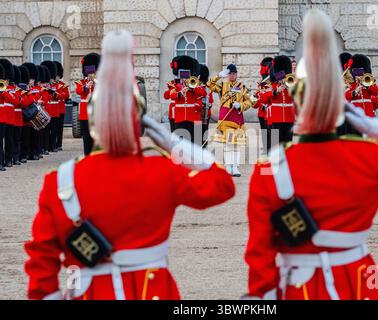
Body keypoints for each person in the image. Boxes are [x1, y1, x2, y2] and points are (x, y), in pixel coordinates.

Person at [244, 9, 378, 300]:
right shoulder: (368, 156)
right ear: (342, 104)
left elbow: (259, 253)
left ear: (297, 106)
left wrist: (260, 295)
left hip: (301, 288)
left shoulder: (269, 170)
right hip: (362, 282)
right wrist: (372, 124)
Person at [24, 30, 235, 301]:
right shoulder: (162, 171)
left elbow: (42, 266)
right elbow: (222, 184)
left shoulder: (60, 181)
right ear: (140, 123)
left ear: (93, 120)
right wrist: (172, 143)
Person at [208, 64, 253, 177]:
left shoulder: (242, 87)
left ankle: (235, 167)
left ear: (236, 74)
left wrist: (241, 105)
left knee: (236, 144)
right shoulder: (222, 85)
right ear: (227, 74)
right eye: (230, 73)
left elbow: (251, 101)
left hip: (237, 119)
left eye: (234, 73)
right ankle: (228, 166)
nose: (232, 75)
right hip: (226, 119)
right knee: (229, 143)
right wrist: (218, 76)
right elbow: (209, 84)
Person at [169, 56, 206, 146]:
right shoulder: (176, 85)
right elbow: (171, 95)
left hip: (193, 117)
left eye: (186, 73)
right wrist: (180, 92)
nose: (184, 76)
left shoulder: (195, 83)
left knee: (195, 143)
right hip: (180, 117)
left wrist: (192, 88)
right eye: (183, 73)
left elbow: (203, 93)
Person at [260, 55, 296, 148]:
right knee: (275, 145)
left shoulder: (291, 83)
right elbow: (263, 98)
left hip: (289, 117)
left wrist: (290, 88)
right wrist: (276, 91)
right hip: (276, 118)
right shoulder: (269, 84)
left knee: (288, 144)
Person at [76, 53, 100, 155]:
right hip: (85, 114)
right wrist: (86, 86)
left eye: (93, 72)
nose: (91, 74)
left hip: (96, 113)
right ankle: (87, 155)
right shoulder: (81, 82)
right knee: (86, 136)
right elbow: (79, 91)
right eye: (89, 72)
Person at [345, 54, 378, 118]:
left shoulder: (368, 82)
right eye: (356, 72)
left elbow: (377, 92)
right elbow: (346, 95)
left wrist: (367, 85)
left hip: (368, 112)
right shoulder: (351, 84)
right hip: (356, 111)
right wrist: (354, 92)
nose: (359, 74)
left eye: (361, 72)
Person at [0, 59, 20, 168]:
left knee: (9, 140)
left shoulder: (10, 89)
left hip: (10, 117)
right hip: (2, 117)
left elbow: (15, 101)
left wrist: (4, 91)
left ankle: (8, 159)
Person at [253, 57, 273, 155]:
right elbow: (259, 100)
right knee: (264, 132)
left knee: (271, 132)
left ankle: (270, 149)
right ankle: (266, 148)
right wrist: (257, 96)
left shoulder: (272, 83)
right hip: (262, 112)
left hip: (269, 112)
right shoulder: (262, 84)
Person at [54, 61, 70, 151]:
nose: (56, 78)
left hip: (61, 109)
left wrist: (58, 95)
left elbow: (67, 95)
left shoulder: (62, 85)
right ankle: (53, 144)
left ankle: (59, 144)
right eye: (55, 76)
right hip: (53, 109)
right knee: (54, 128)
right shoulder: (51, 85)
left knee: (60, 128)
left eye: (57, 76)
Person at [164, 57, 180, 133]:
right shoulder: (172, 83)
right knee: (173, 131)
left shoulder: (187, 83)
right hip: (173, 111)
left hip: (182, 111)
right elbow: (166, 96)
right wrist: (172, 89)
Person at [199, 64, 212, 148]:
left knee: (204, 132)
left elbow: (210, 99)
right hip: (197, 112)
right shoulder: (196, 85)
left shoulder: (207, 87)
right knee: (197, 134)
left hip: (206, 112)